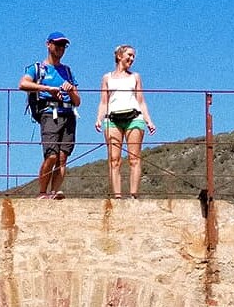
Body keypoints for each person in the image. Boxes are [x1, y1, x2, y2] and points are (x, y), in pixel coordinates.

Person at [19, 32, 80, 199]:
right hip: (49, 114)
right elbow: (23, 84)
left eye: (63, 45)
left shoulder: (67, 71)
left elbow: (78, 100)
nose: (60, 48)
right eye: (57, 44)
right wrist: (49, 90)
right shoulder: (38, 68)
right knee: (51, 155)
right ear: (48, 44)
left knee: (62, 157)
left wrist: (70, 90)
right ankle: (42, 193)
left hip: (68, 114)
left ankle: (54, 192)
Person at [95, 44, 156, 199]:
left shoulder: (135, 77)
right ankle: (117, 197)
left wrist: (149, 121)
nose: (132, 58)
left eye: (134, 56)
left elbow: (141, 101)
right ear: (119, 56)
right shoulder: (107, 78)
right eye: (129, 55)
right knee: (114, 160)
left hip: (134, 118)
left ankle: (134, 196)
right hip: (113, 119)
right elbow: (103, 101)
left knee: (134, 158)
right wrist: (99, 118)